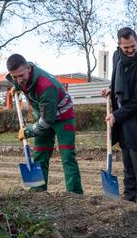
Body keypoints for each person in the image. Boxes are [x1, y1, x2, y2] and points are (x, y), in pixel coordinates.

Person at [6, 54, 83, 194]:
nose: (18, 79)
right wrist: (17, 86)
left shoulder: (46, 86)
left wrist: (28, 132)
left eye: (21, 75)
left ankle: (75, 194)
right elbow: (45, 117)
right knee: (40, 154)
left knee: (67, 156)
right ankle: (38, 190)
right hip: (45, 116)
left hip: (64, 118)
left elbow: (48, 120)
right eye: (14, 77)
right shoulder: (23, 76)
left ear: (28, 68)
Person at [101, 27, 137, 202]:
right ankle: (129, 193)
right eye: (126, 47)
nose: (131, 50)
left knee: (136, 154)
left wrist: (117, 115)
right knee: (126, 154)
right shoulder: (116, 57)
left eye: (133, 45)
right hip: (122, 113)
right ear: (119, 45)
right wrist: (111, 90)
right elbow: (119, 81)